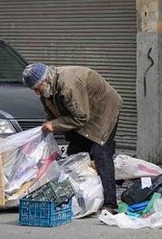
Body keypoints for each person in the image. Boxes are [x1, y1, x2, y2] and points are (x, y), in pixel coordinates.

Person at [22, 63, 122, 214]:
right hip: (83, 111)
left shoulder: (68, 85)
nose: (37, 93)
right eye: (33, 90)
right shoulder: (46, 92)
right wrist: (50, 126)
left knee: (101, 153)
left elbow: (81, 117)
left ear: (47, 81)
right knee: (74, 154)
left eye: (37, 88)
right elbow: (53, 114)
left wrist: (54, 125)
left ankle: (110, 203)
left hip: (103, 110)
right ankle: (80, 198)